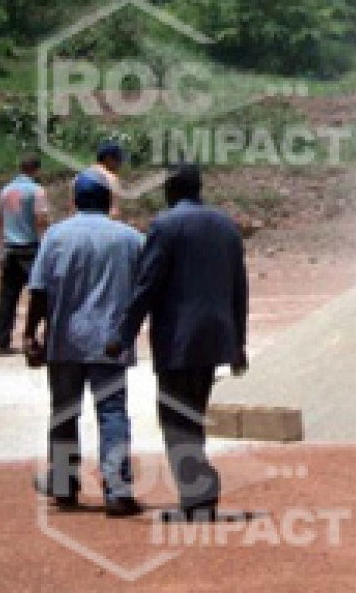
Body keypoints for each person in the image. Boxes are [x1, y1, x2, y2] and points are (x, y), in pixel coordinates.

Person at [109, 163, 249, 522]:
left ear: (170, 188)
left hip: (177, 339)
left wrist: (123, 335)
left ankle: (199, 494)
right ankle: (198, 493)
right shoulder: (226, 226)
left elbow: (147, 285)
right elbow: (239, 288)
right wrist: (238, 344)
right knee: (192, 415)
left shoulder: (165, 225)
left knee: (174, 417)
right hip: (215, 338)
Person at [25, 170, 144, 518]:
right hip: (111, 341)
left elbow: (38, 290)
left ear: (75, 201)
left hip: (65, 341)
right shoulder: (130, 239)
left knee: (64, 412)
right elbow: (146, 288)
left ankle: (63, 483)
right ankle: (117, 489)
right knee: (112, 413)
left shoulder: (56, 237)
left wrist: (31, 334)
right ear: (108, 202)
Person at [0, 153, 51, 356]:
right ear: (36, 170)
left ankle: (1, 342)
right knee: (42, 294)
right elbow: (40, 218)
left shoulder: (6, 190)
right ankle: (40, 338)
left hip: (10, 248)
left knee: (7, 297)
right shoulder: (36, 191)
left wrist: (3, 242)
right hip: (30, 249)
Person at [73, 140, 124, 219]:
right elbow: (114, 213)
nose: (120, 165)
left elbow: (73, 211)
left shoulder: (77, 178)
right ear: (109, 159)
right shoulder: (111, 179)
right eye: (118, 161)